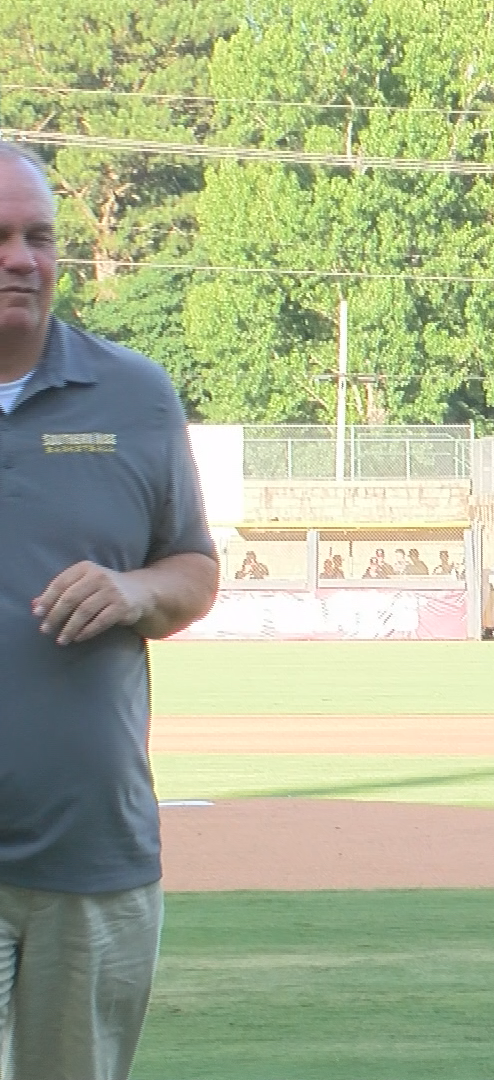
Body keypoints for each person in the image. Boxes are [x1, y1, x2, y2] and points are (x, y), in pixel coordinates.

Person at [0, 141, 219, 1080]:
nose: (21, 257)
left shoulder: (134, 396)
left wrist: (135, 591)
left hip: (87, 861)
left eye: (39, 236)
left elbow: (196, 570)